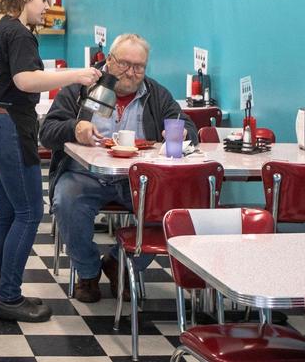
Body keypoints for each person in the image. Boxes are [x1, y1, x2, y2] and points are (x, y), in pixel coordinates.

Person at [0, 0, 100, 322]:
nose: (47, 6)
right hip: (11, 128)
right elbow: (26, 80)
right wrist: (77, 74)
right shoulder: (20, 34)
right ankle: (9, 297)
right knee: (29, 213)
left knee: (7, 212)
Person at [40, 33, 198, 303]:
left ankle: (120, 263)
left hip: (136, 181)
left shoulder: (155, 94)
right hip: (84, 174)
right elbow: (46, 132)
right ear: (109, 61)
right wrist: (75, 129)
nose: (132, 73)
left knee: (170, 206)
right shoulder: (82, 89)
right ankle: (88, 272)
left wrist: (182, 135)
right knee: (66, 201)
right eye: (125, 64)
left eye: (139, 67)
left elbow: (188, 128)